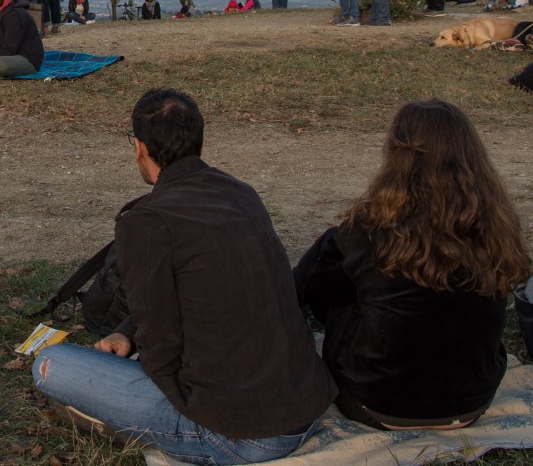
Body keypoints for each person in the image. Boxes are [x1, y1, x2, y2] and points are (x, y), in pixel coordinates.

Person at [31, 90, 333, 464]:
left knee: (52, 364)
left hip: (240, 433)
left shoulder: (145, 222)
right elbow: (208, 287)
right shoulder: (240, 193)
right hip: (304, 403)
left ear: (140, 147)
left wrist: (134, 377)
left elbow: (160, 349)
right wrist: (126, 332)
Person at [293, 100, 531, 430]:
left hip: (375, 402)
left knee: (330, 253)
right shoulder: (497, 226)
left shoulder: (367, 230)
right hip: (472, 401)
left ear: (396, 154)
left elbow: (318, 295)